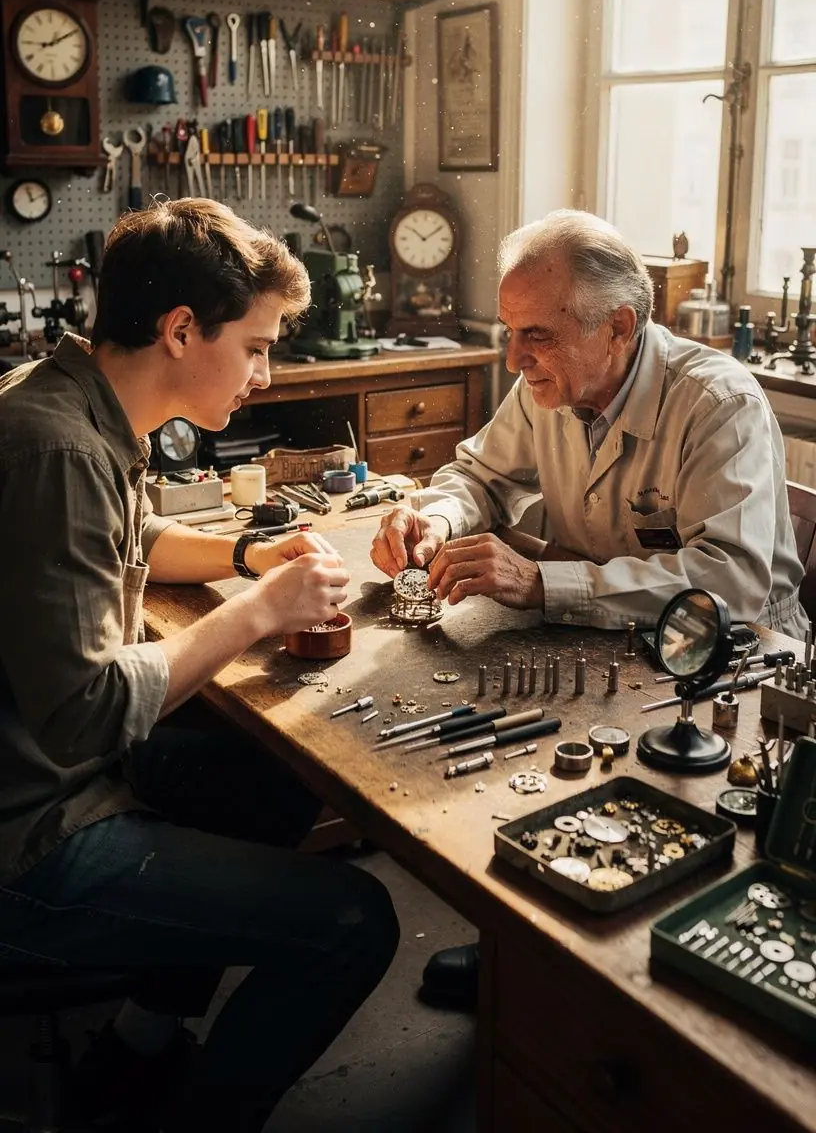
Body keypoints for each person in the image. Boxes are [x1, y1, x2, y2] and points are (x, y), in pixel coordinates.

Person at [0, 199, 399, 1133]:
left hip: (47, 772)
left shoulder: (69, 400)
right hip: (30, 835)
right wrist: (260, 615)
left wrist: (245, 558)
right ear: (181, 330)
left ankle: (136, 1045)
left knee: (278, 767)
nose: (266, 373)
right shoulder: (55, 446)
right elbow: (87, 713)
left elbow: (132, 534)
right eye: (256, 346)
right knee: (356, 922)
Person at [372, 208, 808, 635]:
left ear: (617, 328)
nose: (512, 361)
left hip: (742, 652)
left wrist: (540, 582)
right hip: (603, 634)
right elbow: (481, 478)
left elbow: (731, 582)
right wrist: (438, 519)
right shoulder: (551, 384)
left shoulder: (719, 405)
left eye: (537, 334)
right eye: (510, 331)